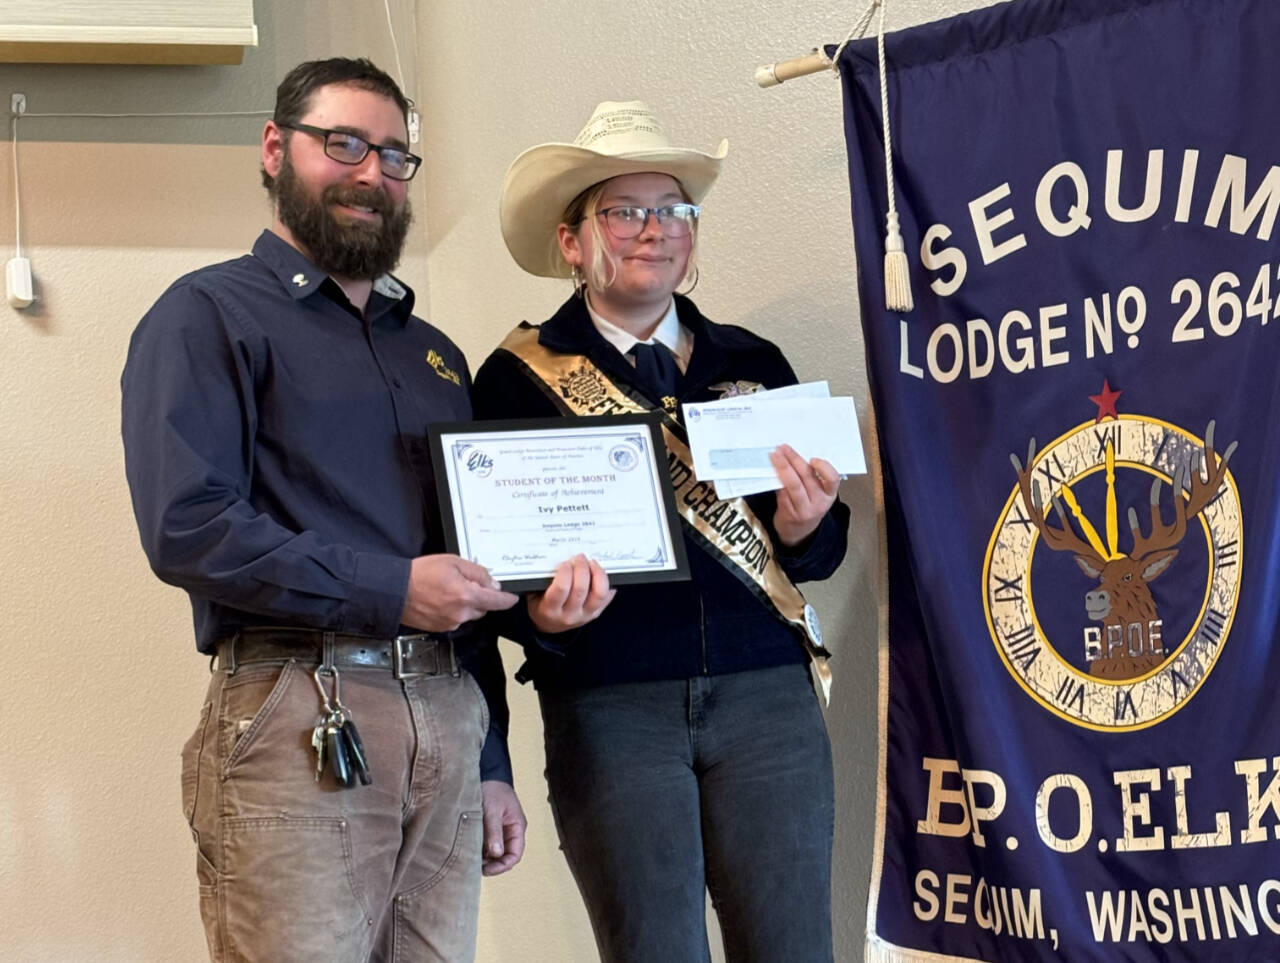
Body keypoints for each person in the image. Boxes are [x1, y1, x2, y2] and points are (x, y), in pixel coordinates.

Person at [121, 58, 526, 963]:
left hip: (448, 715)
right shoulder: (205, 316)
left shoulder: (436, 357)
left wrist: (492, 762)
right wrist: (392, 589)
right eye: (343, 143)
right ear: (275, 148)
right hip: (300, 712)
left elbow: (460, 568)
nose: (371, 173)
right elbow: (189, 527)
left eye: (393, 154)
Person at [472, 101, 850, 963]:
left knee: (794, 949)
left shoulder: (753, 361)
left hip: (766, 695)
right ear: (571, 242)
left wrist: (804, 526)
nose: (655, 229)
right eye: (625, 211)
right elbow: (490, 573)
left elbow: (819, 552)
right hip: (613, 705)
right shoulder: (512, 380)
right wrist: (539, 617)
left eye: (674, 209)